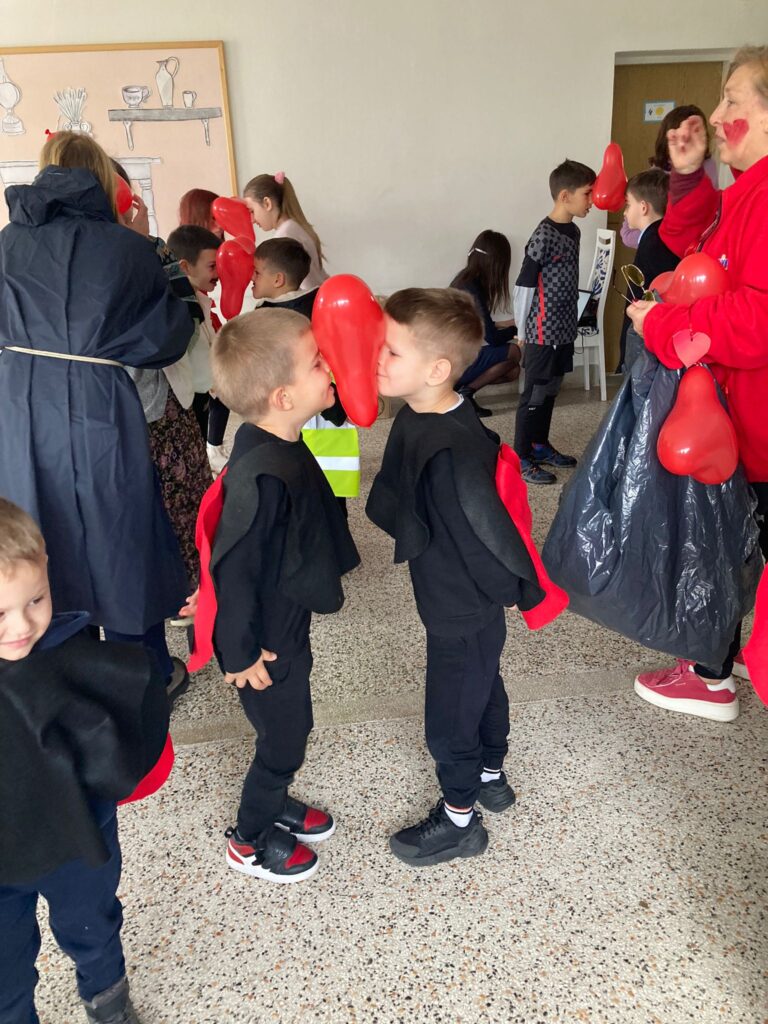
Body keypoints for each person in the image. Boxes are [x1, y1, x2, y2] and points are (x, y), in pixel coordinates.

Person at [0, 131, 193, 698]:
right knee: (120, 533)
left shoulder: (6, 243)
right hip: (95, 406)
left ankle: (67, 682)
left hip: (18, 407)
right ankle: (145, 676)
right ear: (107, 180)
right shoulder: (128, 249)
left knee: (41, 529)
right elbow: (166, 338)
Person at [366, 288, 549, 867]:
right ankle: (491, 775)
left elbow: (485, 536)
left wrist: (500, 595)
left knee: (449, 716)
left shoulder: (451, 454)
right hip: (460, 602)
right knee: (484, 683)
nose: (377, 359)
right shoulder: (428, 412)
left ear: (436, 370)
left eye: (391, 351)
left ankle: (460, 821)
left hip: (461, 606)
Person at [627, 45, 768, 722]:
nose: (714, 116)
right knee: (731, 545)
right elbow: (686, 251)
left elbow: (756, 320)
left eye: (732, 99)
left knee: (730, 549)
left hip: (757, 424)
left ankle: (712, 677)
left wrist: (664, 325)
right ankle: (715, 662)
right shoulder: (745, 192)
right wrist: (685, 175)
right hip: (738, 422)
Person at [200, 308, 359, 882]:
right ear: (283, 397)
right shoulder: (263, 476)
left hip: (284, 622)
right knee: (285, 738)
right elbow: (236, 570)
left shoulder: (276, 438)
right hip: (263, 648)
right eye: (317, 363)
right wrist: (238, 653)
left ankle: (273, 798)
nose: (329, 367)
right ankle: (250, 837)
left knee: (290, 726)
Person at [0, 498, 169, 1024]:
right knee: (4, 966)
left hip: (78, 837)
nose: (21, 626)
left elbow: (129, 713)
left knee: (92, 925)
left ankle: (106, 999)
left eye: (35, 599)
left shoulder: (69, 654)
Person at [252, 238, 361, 514]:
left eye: (257, 272)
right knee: (331, 491)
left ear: (278, 279)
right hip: (327, 404)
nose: (251, 278)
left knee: (297, 489)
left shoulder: (264, 318)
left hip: (290, 411)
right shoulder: (322, 306)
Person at [513, 159, 596, 485]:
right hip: (541, 331)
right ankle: (522, 456)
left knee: (550, 390)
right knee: (534, 394)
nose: (592, 201)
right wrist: (522, 330)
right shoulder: (543, 235)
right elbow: (524, 286)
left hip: (564, 329)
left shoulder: (573, 231)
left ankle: (539, 445)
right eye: (587, 194)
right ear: (565, 196)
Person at [166, 225, 228, 474]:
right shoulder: (179, 310)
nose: (219, 273)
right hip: (187, 402)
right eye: (212, 266)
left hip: (201, 396)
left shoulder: (201, 300)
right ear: (185, 267)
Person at [620, 104, 719, 251]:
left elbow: (710, 216)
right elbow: (627, 233)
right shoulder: (653, 179)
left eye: (696, 131)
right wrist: (656, 240)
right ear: (668, 138)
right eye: (680, 134)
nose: (687, 139)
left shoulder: (709, 165)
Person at [449, 230, 522, 417]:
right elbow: (493, 338)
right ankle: (465, 394)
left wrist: (504, 324)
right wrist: (517, 330)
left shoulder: (464, 280)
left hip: (453, 358)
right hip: (455, 362)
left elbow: (478, 324)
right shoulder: (471, 288)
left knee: (513, 371)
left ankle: (461, 392)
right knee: (514, 351)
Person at [619, 169, 679, 373]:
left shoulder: (654, 242)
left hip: (647, 340)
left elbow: (648, 293)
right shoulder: (657, 236)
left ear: (643, 207)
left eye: (628, 204)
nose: (625, 212)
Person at [243, 172, 329, 289]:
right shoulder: (293, 227)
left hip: (308, 297)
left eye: (252, 211)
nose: (252, 220)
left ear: (267, 203)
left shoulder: (284, 236)